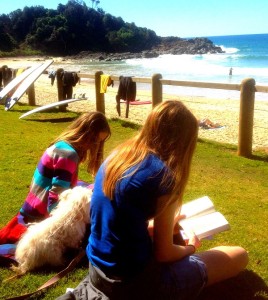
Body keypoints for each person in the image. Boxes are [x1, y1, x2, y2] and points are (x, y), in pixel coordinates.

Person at [57, 101, 248, 300]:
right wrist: (190, 247)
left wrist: (158, 227)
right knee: (238, 254)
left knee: (178, 240)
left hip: (98, 271)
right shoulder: (163, 175)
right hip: (135, 285)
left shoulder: (118, 157)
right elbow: (164, 254)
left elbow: (119, 222)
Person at [0, 112, 111, 250]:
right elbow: (56, 196)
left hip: (32, 205)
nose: (97, 145)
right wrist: (59, 226)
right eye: (96, 140)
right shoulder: (68, 155)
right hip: (40, 213)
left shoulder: (62, 146)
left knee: (87, 188)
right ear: (87, 134)